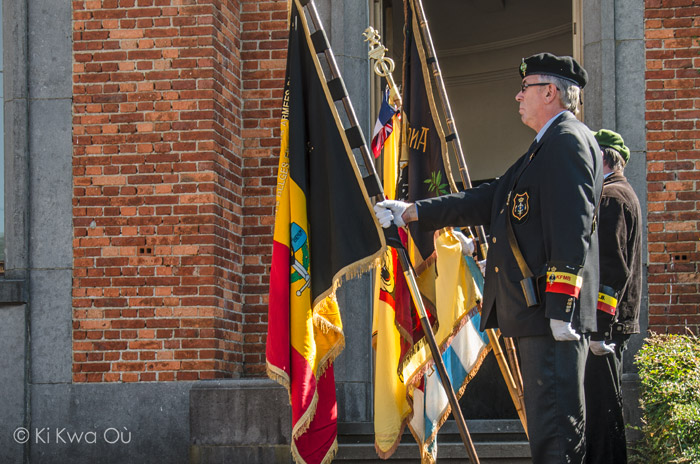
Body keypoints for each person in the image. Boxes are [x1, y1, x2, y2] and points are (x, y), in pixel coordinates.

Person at [374, 53, 603, 463]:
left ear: (550, 92)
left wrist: (561, 308)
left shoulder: (567, 141)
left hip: (551, 321)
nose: (517, 96)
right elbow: (490, 196)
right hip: (537, 317)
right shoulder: (545, 146)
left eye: (525, 87)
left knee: (556, 439)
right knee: (548, 436)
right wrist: (413, 211)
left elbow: (575, 225)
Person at [584, 129, 642, 464]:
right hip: (610, 324)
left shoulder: (611, 197)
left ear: (603, 157)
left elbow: (610, 268)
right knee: (603, 410)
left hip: (604, 327)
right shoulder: (618, 193)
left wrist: (599, 328)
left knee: (602, 415)